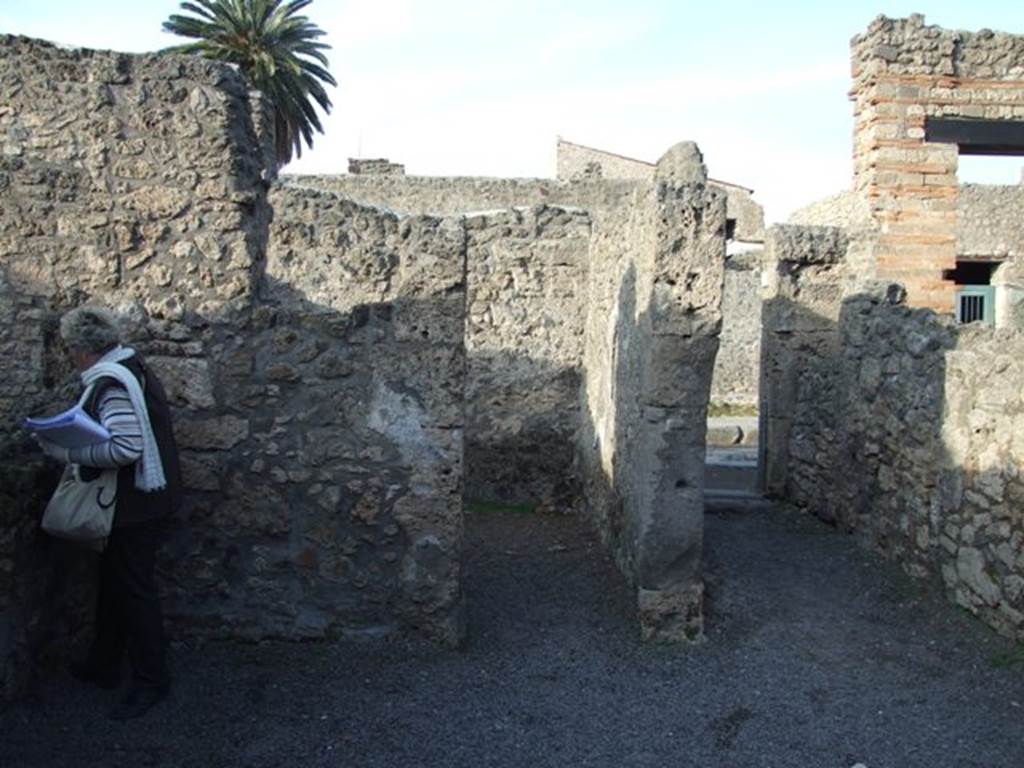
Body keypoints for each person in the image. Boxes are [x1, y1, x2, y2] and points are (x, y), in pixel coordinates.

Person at [34, 305, 182, 721]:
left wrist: (66, 449)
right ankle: (104, 663)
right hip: (144, 501)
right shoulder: (131, 365)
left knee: (135, 590)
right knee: (117, 584)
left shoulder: (112, 383)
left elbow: (125, 448)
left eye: (71, 349)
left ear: (83, 350)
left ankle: (152, 680)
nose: (70, 356)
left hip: (133, 508)